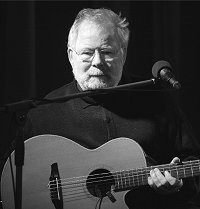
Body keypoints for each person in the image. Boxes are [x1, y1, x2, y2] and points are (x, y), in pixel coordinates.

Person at [7, 8, 200, 209]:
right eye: (87, 53)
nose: (97, 62)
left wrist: (177, 185)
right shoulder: (44, 112)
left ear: (123, 54)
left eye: (107, 52)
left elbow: (191, 160)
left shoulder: (157, 100)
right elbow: (10, 178)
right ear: (71, 56)